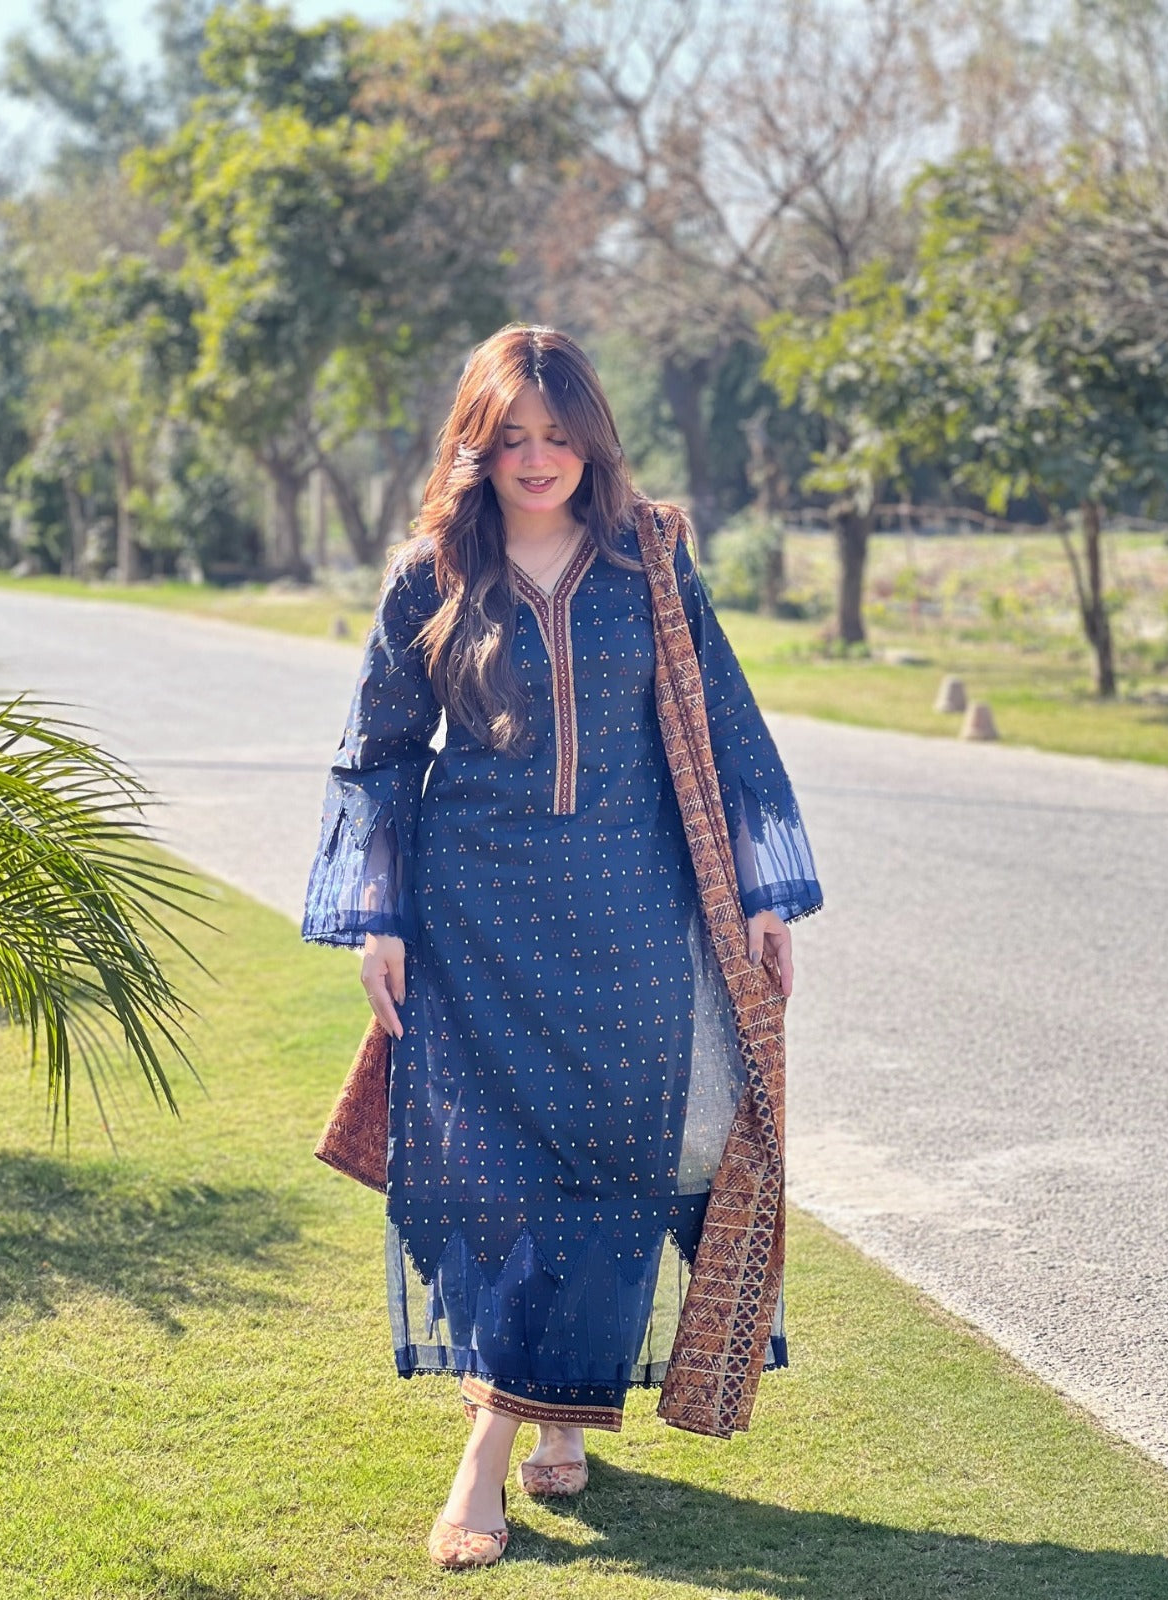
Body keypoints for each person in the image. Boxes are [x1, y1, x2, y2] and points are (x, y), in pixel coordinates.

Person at [301, 324, 822, 1569]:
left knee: (614, 1167)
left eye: (558, 434)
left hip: (638, 913)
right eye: (510, 436)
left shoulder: (652, 556)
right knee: (497, 1183)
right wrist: (377, 911)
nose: (537, 459)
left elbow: (724, 716)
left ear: (594, 437)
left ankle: (558, 1415)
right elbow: (375, 753)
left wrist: (760, 890)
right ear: (475, 444)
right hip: (478, 921)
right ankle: (492, 1449)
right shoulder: (432, 574)